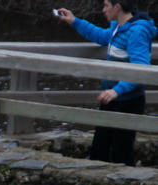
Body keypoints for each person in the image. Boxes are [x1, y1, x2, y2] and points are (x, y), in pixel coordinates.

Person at [57, 2, 157, 165]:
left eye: (106, 5)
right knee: (99, 150)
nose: (103, 10)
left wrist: (117, 91)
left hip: (128, 101)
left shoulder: (137, 32)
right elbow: (100, 36)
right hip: (111, 98)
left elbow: (140, 68)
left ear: (117, 7)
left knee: (121, 154)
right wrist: (74, 21)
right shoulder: (117, 27)